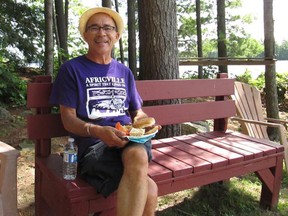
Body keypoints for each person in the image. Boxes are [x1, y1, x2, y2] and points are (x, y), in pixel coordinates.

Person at [49, 7, 158, 216]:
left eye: (108, 28)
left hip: (129, 140)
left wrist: (144, 123)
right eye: (95, 28)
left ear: (116, 36)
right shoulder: (71, 69)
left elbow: (137, 112)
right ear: (85, 35)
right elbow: (68, 119)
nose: (102, 33)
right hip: (93, 147)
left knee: (136, 153)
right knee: (149, 189)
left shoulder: (124, 72)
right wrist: (98, 131)